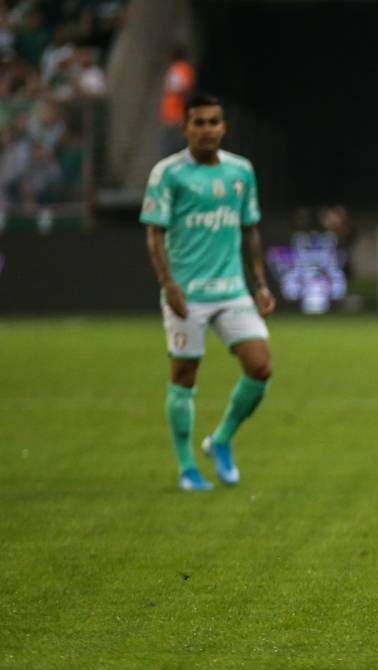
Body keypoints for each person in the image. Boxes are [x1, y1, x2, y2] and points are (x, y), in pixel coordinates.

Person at [141, 94, 275, 492]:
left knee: (261, 367)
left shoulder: (241, 171)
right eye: (198, 122)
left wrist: (261, 283)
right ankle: (186, 468)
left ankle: (219, 440)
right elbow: (154, 234)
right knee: (184, 375)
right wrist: (168, 284)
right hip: (188, 293)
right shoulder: (168, 173)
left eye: (213, 122)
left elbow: (250, 228)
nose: (206, 129)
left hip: (232, 289)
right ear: (185, 128)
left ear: (224, 127)